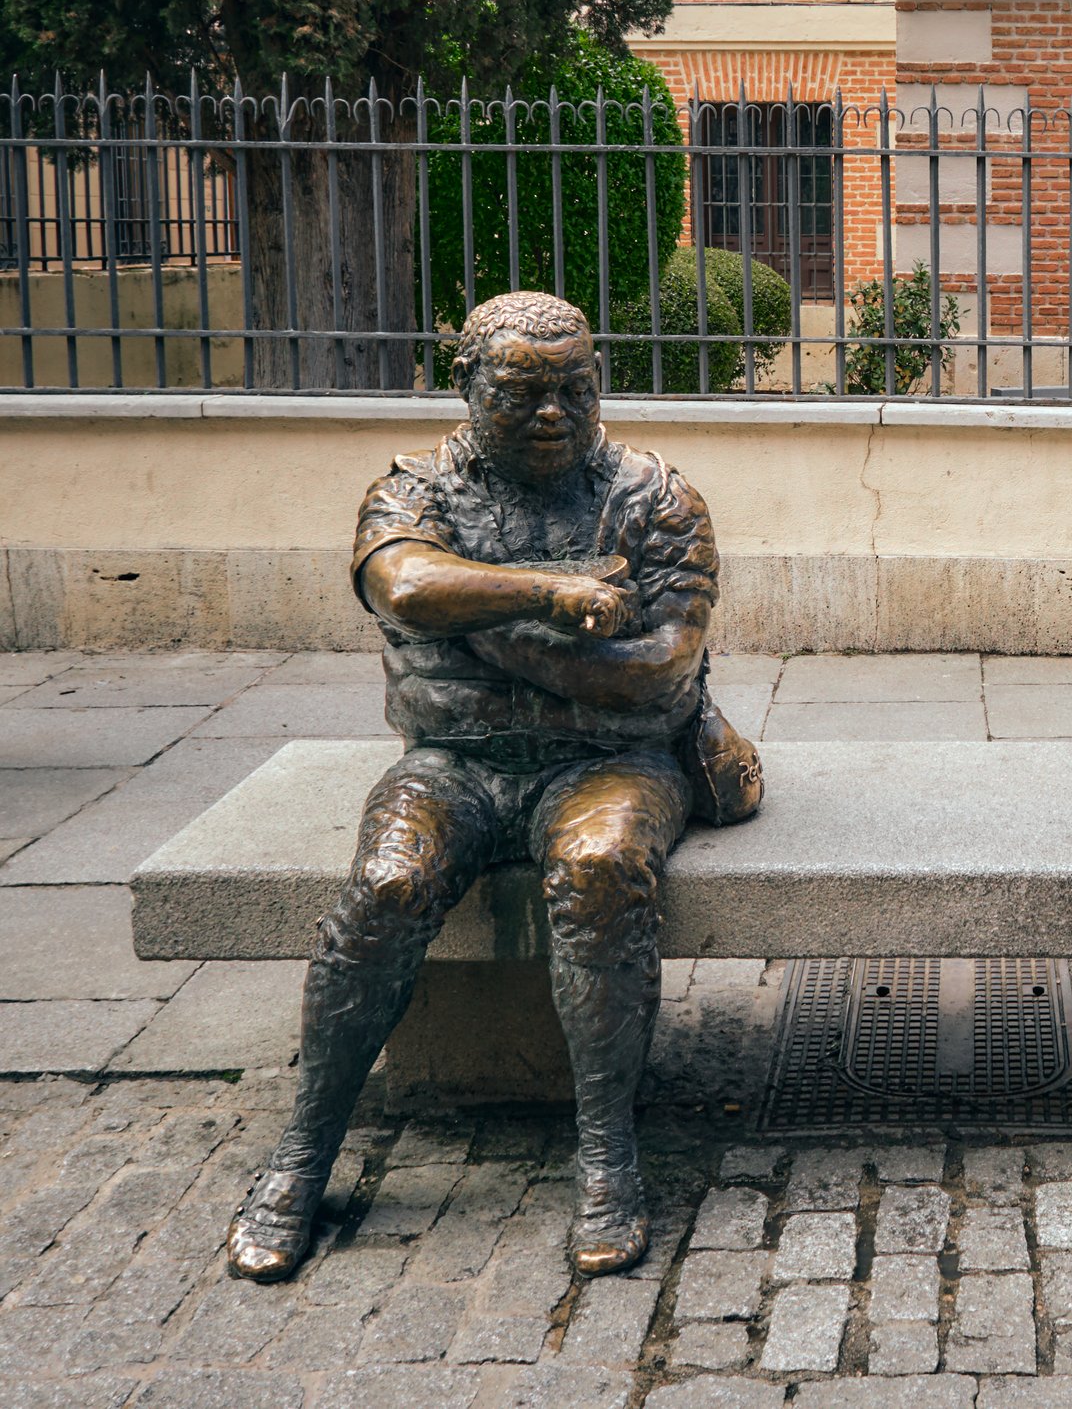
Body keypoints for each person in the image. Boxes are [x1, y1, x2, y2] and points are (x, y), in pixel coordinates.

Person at [225, 292, 762, 1284]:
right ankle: (303, 1154)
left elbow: (656, 673)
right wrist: (555, 594)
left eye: (576, 388)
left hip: (611, 764)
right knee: (387, 884)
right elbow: (405, 587)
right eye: (521, 392)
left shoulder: (658, 499)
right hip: (454, 765)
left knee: (601, 869)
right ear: (466, 387)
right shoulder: (413, 490)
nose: (554, 411)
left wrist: (470, 621)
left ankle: (606, 1154)